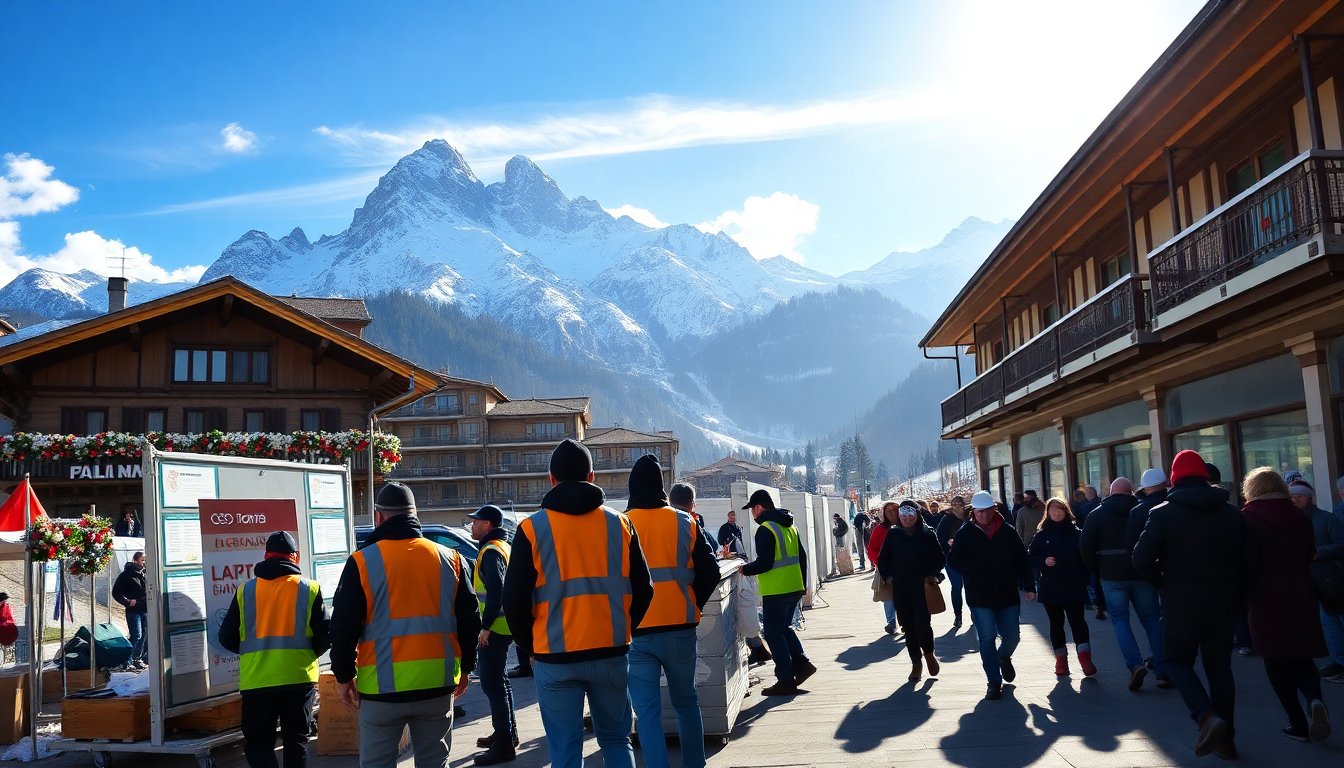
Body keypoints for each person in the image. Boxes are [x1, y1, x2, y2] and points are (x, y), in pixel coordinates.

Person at [501, 439, 653, 768]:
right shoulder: (621, 524)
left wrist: (532, 647)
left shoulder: (531, 528)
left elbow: (512, 601)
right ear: (592, 476)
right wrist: (623, 629)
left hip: (554, 658)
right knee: (616, 739)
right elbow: (645, 590)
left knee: (566, 749)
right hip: (611, 652)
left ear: (550, 478)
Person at [329, 482, 481, 768]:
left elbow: (343, 627)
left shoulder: (362, 562)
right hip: (436, 685)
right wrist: (468, 668)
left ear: (378, 517)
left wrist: (343, 675)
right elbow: (470, 620)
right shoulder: (451, 559)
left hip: (381, 692)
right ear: (415, 515)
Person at [1133, 450, 1246, 760]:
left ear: (1174, 478)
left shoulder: (1163, 513)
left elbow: (1141, 558)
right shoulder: (1232, 513)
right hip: (1223, 602)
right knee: (1220, 669)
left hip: (1181, 601)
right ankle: (1227, 741)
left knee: (1177, 661)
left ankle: (1206, 716)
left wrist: (1162, 582)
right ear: (1205, 477)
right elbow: (1248, 559)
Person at [625, 455, 719, 768]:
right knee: (686, 701)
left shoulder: (622, 524)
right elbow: (710, 572)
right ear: (662, 487)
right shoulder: (686, 521)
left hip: (638, 632)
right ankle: (695, 764)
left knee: (647, 711)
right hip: (680, 625)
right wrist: (693, 604)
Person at [219, 531, 330, 768]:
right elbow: (326, 636)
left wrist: (253, 654)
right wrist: (307, 655)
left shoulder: (245, 590)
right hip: (299, 679)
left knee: (259, 744)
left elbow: (225, 637)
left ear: (266, 556)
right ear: (295, 557)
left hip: (258, 681)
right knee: (296, 741)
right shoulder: (309, 589)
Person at [1243, 469, 1331, 742]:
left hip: (1264, 598)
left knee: (1276, 662)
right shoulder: (1300, 517)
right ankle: (1314, 699)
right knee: (1302, 656)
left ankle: (1297, 723)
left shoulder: (1246, 519)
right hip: (1301, 593)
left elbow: (1244, 561)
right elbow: (1310, 554)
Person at [947, 491, 1034, 700]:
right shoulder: (965, 532)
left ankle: (1003, 657)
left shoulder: (1008, 532)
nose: (983, 516)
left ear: (994, 510)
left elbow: (1023, 559)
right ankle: (994, 682)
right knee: (986, 638)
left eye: (987, 511)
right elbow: (953, 559)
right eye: (979, 512)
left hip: (1007, 593)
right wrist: (970, 572)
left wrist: (1030, 585)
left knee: (1012, 636)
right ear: (973, 512)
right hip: (979, 595)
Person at [1080, 477, 1166, 690]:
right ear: (1131, 491)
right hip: (1141, 573)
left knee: (1120, 620)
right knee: (1152, 620)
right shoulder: (1143, 511)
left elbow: (1085, 547)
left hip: (1111, 574)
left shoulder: (1096, 514)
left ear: (1110, 492)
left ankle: (1135, 664)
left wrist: (1097, 570)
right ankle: (1164, 672)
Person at [741, 488, 815, 696]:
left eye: (752, 510)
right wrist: (802, 584)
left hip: (776, 589)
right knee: (784, 628)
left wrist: (744, 569)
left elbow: (765, 563)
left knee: (773, 633)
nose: (753, 515)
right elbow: (802, 556)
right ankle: (802, 664)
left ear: (759, 507)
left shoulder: (765, 529)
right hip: (793, 586)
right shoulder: (789, 526)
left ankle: (785, 679)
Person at [465, 505, 518, 765]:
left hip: (495, 628)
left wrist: (485, 627)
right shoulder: (503, 547)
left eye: (475, 521)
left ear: (487, 525)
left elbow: (496, 592)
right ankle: (507, 734)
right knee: (500, 681)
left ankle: (505, 745)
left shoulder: (490, 551)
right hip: (505, 625)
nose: (472, 526)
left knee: (491, 684)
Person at [877, 500, 945, 682]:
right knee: (908, 627)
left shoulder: (928, 533)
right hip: (901, 589)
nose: (907, 518)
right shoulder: (893, 534)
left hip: (922, 588)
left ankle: (929, 654)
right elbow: (883, 559)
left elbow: (939, 558)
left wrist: (933, 575)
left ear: (917, 515)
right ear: (900, 516)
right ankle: (916, 663)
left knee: (923, 624)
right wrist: (888, 577)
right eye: (904, 515)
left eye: (910, 515)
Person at [1028, 498, 1095, 677]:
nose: (1057, 513)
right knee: (1056, 624)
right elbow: (1030, 558)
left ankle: (1085, 658)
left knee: (1078, 622)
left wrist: (1086, 579)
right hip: (1051, 587)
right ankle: (1061, 661)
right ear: (1047, 513)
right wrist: (1044, 560)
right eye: (1053, 510)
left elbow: (1087, 558)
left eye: (1060, 510)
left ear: (1066, 512)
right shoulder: (1042, 535)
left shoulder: (1077, 533)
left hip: (1074, 585)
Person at [1292, 477, 1344, 682]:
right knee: (1325, 622)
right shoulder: (1290, 520)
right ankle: (1336, 660)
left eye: (1299, 496)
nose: (1295, 500)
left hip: (1328, 579)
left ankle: (1339, 661)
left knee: (1333, 620)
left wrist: (1319, 552)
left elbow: (1342, 544)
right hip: (1304, 578)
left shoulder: (1326, 519)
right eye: (1292, 497)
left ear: (1309, 497)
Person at [867, 502, 901, 636]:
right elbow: (872, 549)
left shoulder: (905, 526)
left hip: (903, 567)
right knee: (888, 596)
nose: (891, 512)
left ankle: (905, 621)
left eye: (894, 510)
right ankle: (891, 622)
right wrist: (879, 562)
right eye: (888, 510)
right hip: (885, 568)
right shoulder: (879, 529)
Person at [935, 496, 969, 628]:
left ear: (963, 504)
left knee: (970, 586)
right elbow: (939, 537)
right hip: (952, 559)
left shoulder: (969, 517)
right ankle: (958, 615)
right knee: (956, 587)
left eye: (959, 503)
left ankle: (974, 613)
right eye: (953, 504)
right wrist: (948, 543)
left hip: (968, 559)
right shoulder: (946, 519)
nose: (956, 506)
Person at [112, 550, 148, 669]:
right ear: (135, 560)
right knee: (136, 635)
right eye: (142, 560)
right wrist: (127, 602)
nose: (144, 563)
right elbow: (116, 592)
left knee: (144, 635)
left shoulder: (146, 572)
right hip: (134, 610)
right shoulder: (126, 575)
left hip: (146, 609)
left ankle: (137, 659)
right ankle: (127, 661)